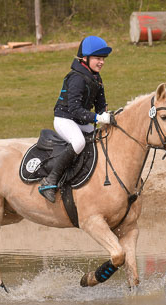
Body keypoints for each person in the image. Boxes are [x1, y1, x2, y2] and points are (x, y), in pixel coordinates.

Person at [39, 36, 113, 203]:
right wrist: (96, 117)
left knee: (103, 137)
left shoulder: (96, 78)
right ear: (85, 59)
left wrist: (108, 116)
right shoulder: (77, 78)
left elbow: (101, 105)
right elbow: (74, 109)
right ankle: (50, 181)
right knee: (78, 142)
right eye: (97, 58)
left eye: (103, 59)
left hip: (80, 121)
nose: (101, 62)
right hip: (64, 120)